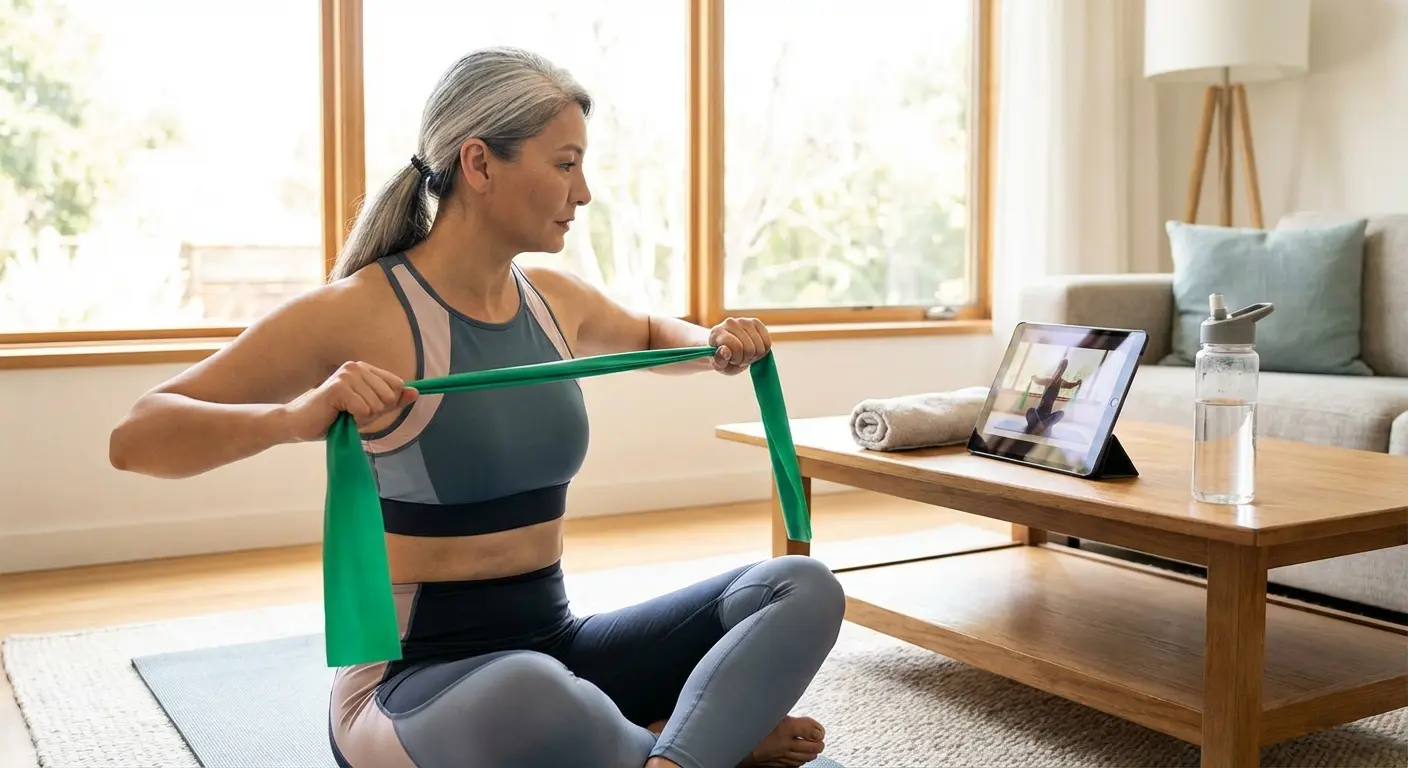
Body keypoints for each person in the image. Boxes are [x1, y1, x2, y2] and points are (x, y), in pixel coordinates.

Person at [108, 46, 845, 768]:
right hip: (412, 690)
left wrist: (709, 343)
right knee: (532, 694)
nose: (583, 192)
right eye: (565, 163)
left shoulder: (555, 300)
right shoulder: (360, 313)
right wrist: (294, 420)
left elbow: (654, 333)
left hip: (556, 648)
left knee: (802, 588)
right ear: (480, 163)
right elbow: (137, 437)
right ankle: (689, 743)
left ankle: (658, 753)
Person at [1024, 356, 1082, 435]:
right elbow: (1038, 381)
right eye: (1060, 367)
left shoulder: (1061, 382)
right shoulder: (1048, 380)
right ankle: (1039, 424)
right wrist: (1034, 378)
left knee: (1061, 413)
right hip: (1038, 413)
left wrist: (1077, 383)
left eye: (1062, 368)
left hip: (1047, 416)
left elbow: (1069, 386)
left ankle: (1041, 425)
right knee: (1031, 411)